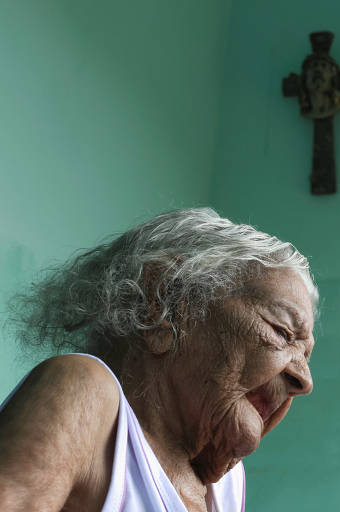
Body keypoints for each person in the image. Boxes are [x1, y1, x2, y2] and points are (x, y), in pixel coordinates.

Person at [0, 208, 317, 511]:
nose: (304, 380)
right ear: (167, 302)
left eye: (305, 355)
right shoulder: (83, 391)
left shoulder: (228, 486)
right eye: (283, 332)